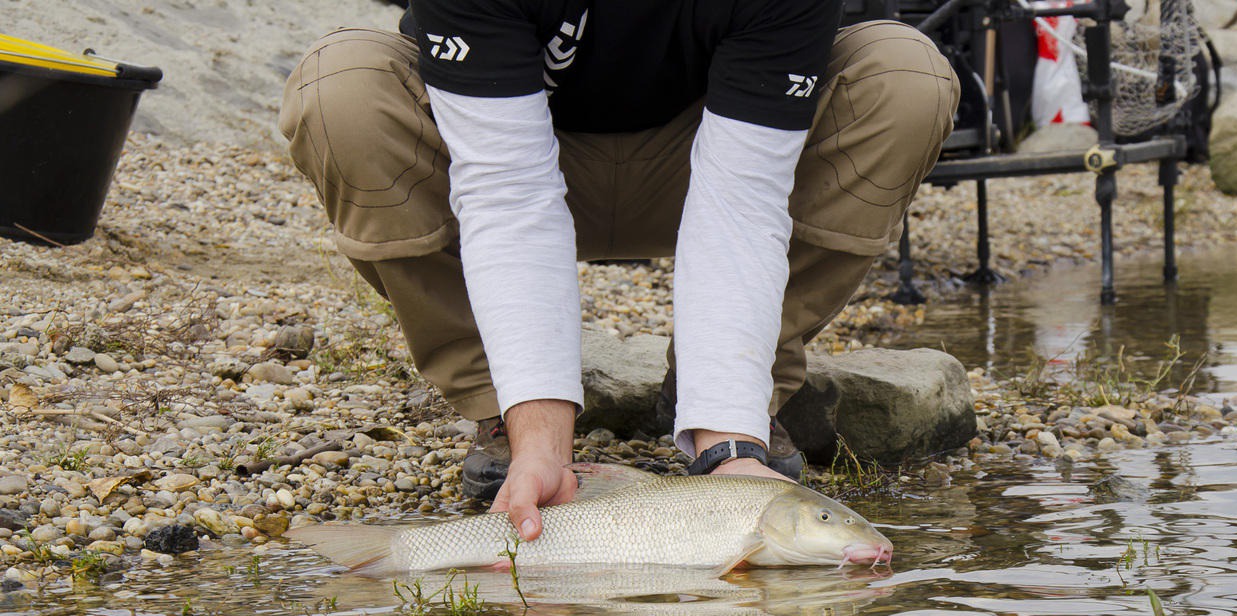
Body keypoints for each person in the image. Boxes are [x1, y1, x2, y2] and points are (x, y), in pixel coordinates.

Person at [280, 1, 959, 543]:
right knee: (343, 87)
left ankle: (732, 398)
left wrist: (728, 451)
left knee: (904, 79)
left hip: (697, 159)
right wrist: (541, 437)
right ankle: (506, 414)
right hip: (497, 154)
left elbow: (743, 197)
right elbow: (505, 190)